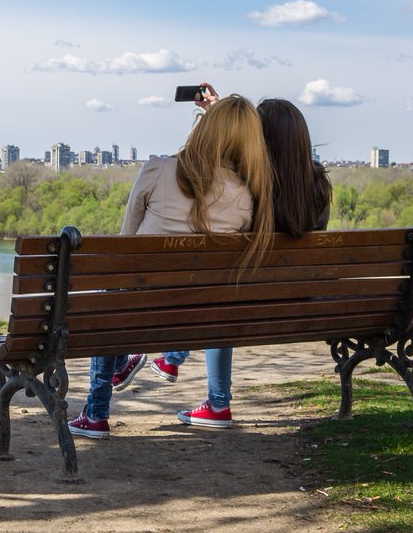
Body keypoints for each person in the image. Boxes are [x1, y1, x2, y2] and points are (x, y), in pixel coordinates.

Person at [113, 96, 333, 429]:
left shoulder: (252, 187)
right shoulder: (317, 185)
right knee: (222, 291)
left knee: (221, 291)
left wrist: (215, 116)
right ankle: (179, 365)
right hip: (298, 305)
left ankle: (200, 385)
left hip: (236, 304)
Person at [66, 93, 275, 439]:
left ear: (204, 129)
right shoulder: (246, 199)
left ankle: (96, 413)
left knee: (108, 295)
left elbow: (124, 243)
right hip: (197, 315)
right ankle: (122, 365)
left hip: (138, 308)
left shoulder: (159, 169)